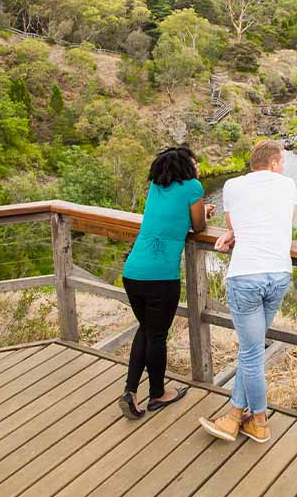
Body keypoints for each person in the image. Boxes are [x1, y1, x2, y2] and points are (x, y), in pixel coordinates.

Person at [199, 139, 296, 443]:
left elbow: (235, 224)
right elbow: (285, 220)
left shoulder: (232, 186)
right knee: (252, 351)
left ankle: (259, 421)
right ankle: (233, 415)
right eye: (282, 162)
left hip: (246, 276)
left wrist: (230, 233)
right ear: (271, 164)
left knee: (251, 352)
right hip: (279, 273)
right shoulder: (288, 185)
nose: (284, 168)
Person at [118, 145, 214, 420]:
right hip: (161, 277)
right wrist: (204, 212)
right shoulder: (193, 187)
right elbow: (198, 227)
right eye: (194, 163)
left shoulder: (157, 187)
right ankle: (158, 394)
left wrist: (195, 211)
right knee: (157, 336)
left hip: (133, 272)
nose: (197, 167)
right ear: (186, 166)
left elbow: (170, 216)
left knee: (147, 330)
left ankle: (131, 390)